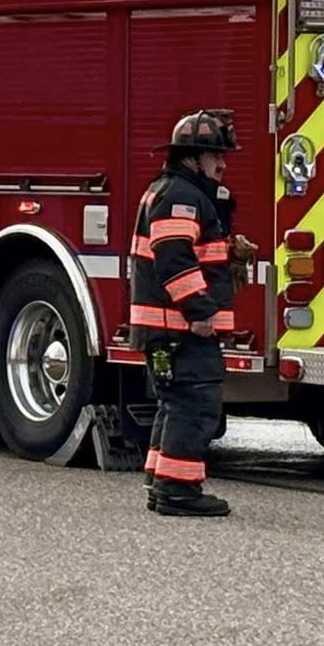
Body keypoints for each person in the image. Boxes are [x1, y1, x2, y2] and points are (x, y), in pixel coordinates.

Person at [129, 109, 249, 518]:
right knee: (195, 405)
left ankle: (161, 484)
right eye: (217, 156)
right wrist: (199, 311)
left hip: (166, 329)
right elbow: (174, 258)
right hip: (181, 328)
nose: (223, 164)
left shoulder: (173, 192)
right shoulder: (181, 197)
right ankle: (179, 491)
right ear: (193, 157)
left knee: (174, 403)